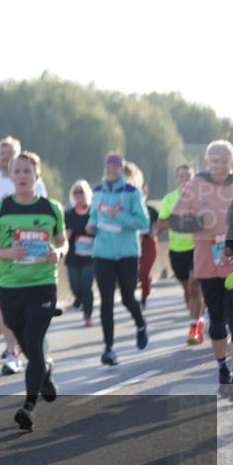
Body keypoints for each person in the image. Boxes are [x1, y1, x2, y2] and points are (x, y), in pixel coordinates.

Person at [0, 151, 66, 431]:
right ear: (11, 176)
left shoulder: (52, 208)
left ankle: (28, 407)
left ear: (37, 176)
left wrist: (58, 253)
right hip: (11, 287)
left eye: (28, 171)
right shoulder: (0, 209)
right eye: (17, 171)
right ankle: (45, 373)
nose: (22, 176)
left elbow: (63, 242)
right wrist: (9, 252)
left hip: (42, 285)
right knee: (26, 346)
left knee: (33, 338)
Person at [0, 136, 48, 374]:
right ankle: (11, 353)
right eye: (2, 153)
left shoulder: (34, 181)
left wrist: (52, 251)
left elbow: (47, 219)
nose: (6, 157)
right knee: (2, 306)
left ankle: (32, 351)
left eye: (11, 153)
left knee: (28, 310)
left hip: (33, 256)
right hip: (3, 254)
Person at [170, 140, 233, 397]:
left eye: (224, 160)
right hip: (208, 264)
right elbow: (175, 221)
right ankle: (222, 368)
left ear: (232, 162)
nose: (219, 165)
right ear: (207, 162)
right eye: (214, 160)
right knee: (217, 322)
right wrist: (197, 221)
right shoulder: (195, 184)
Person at [86, 154, 149, 366]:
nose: (111, 169)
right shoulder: (98, 191)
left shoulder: (132, 192)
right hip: (102, 253)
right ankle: (109, 349)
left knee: (127, 297)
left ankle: (140, 324)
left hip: (127, 254)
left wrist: (118, 216)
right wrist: (91, 224)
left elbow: (143, 221)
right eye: (108, 166)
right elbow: (94, 215)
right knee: (106, 301)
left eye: (116, 166)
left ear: (122, 169)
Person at [157, 164, 205, 345]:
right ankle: (198, 318)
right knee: (188, 291)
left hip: (197, 248)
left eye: (188, 176)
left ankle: (194, 328)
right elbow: (161, 224)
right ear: (176, 179)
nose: (184, 179)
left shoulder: (201, 198)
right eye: (181, 176)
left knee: (194, 287)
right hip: (177, 251)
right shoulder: (169, 199)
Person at [125, 165, 159, 310]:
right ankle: (133, 297)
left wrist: (154, 231)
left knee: (144, 272)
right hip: (132, 242)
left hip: (148, 243)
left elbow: (159, 225)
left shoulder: (152, 211)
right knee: (135, 274)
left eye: (142, 192)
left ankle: (144, 295)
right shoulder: (130, 209)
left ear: (146, 192)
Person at [64, 180, 96, 326]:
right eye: (75, 192)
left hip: (90, 256)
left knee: (85, 285)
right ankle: (82, 302)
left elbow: (101, 229)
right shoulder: (68, 214)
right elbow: (59, 234)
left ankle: (88, 314)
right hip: (73, 256)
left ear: (87, 194)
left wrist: (93, 232)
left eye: (81, 192)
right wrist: (66, 235)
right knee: (75, 287)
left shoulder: (93, 212)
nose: (78, 195)